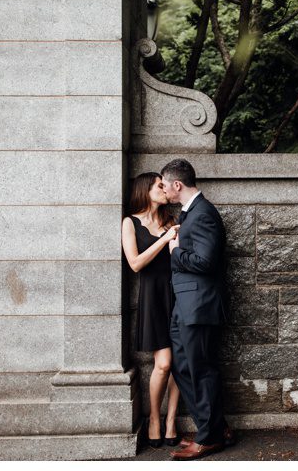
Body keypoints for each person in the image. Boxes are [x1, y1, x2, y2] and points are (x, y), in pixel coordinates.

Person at [161, 158, 235, 460]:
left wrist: (176, 252)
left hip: (200, 304)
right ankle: (216, 426)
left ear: (177, 185)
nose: (164, 191)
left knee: (200, 369)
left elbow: (205, 262)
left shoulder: (204, 213)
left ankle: (209, 437)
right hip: (186, 304)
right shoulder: (190, 213)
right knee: (182, 366)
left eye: (165, 185)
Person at [121, 172, 183, 448]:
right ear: (145, 190)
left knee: (180, 363)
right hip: (153, 297)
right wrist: (165, 238)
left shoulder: (173, 221)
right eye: (159, 185)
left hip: (177, 294)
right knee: (164, 363)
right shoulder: (130, 223)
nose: (164, 188)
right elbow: (135, 263)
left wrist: (174, 239)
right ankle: (154, 419)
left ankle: (170, 421)